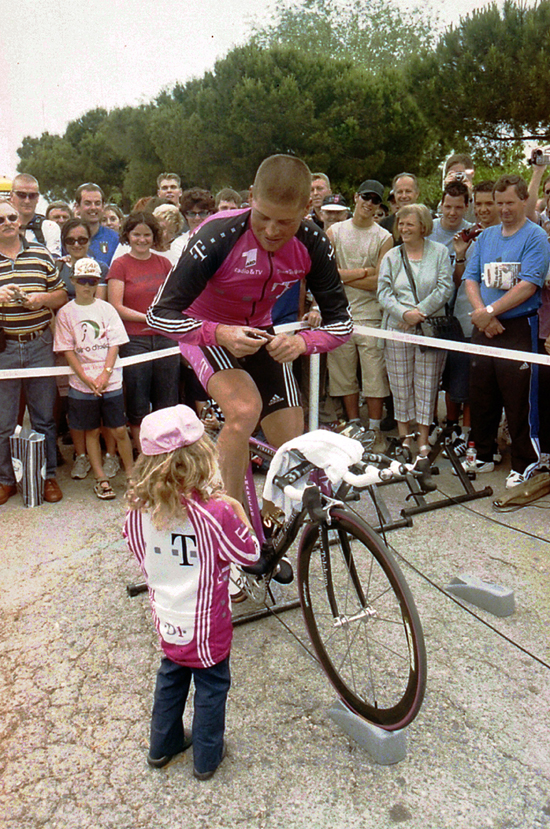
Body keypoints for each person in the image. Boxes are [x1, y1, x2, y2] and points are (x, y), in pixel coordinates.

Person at [147, 154, 352, 501]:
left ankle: (275, 520)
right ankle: (233, 519)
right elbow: (159, 315)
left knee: (291, 438)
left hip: (260, 331)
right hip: (205, 331)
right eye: (263, 217)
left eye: (285, 222)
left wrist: (303, 344)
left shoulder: (313, 242)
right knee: (244, 410)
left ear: (306, 207)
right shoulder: (218, 234)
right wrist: (218, 333)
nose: (272, 231)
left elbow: (343, 323)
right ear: (252, 196)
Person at [123, 404, 260, 779]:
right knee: (212, 684)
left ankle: (162, 745)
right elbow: (249, 552)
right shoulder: (215, 511)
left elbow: (139, 552)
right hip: (207, 620)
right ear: (201, 455)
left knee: (172, 674)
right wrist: (237, 508)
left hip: (167, 614)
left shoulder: (139, 511)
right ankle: (206, 756)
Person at [463, 174, 550, 488]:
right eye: (499, 203)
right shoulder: (486, 237)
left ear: (524, 200)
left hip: (518, 325)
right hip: (485, 325)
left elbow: (529, 284)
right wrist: (482, 314)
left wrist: (490, 312)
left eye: (510, 203)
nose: (504, 209)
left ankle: (526, 461)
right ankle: (484, 454)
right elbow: (471, 278)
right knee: (482, 391)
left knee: (519, 397)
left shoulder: (535, 236)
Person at [0, 198, 67, 505]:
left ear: (20, 220)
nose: (7, 222)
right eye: (0, 219)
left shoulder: (40, 254)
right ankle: (6, 480)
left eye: (11, 216)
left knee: (44, 419)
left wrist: (42, 298)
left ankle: (47, 476)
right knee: (3, 421)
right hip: (5, 347)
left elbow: (62, 294)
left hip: (39, 343)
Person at [53, 258, 133, 499]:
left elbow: (114, 344)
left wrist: (105, 374)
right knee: (91, 431)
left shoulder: (106, 309)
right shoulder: (66, 313)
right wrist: (87, 379)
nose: (87, 286)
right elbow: (68, 350)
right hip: (81, 383)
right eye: (83, 281)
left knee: (119, 429)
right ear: (74, 282)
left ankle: (131, 476)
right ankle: (101, 478)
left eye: (92, 282)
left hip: (111, 381)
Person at [377, 203, 453, 456]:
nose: (404, 228)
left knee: (427, 384)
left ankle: (423, 438)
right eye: (401, 224)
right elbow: (384, 293)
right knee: (400, 385)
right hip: (397, 329)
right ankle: (404, 437)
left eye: (410, 223)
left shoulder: (440, 252)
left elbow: (445, 288)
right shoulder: (391, 256)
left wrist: (417, 314)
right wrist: (403, 314)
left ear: (423, 226)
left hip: (429, 329)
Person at [326, 180, 393, 448]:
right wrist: (363, 272)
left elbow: (380, 282)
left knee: (374, 374)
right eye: (366, 197)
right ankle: (354, 425)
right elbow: (328, 274)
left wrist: (344, 277)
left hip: (371, 315)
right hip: (340, 313)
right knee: (342, 373)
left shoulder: (384, 237)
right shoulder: (334, 231)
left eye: (375, 200)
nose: (369, 203)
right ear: (355, 197)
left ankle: (374, 427)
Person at [107, 212, 179, 451]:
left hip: (165, 339)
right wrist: (148, 319)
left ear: (154, 236)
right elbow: (116, 306)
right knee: (137, 400)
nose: (141, 239)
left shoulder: (164, 263)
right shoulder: (120, 265)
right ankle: (143, 452)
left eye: (147, 234)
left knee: (167, 399)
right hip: (135, 339)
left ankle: (166, 450)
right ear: (128, 235)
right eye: (136, 234)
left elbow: (173, 298)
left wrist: (164, 321)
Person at [10, 174, 62, 257]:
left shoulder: (49, 227)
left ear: (38, 198)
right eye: (21, 195)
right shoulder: (3, 226)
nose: (27, 201)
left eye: (32, 196)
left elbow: (54, 262)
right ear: (11, 196)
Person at [74, 183, 119, 266]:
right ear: (77, 207)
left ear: (103, 206)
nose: (93, 207)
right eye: (88, 203)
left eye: (97, 203)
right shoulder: (68, 239)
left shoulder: (115, 239)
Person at [380, 173, 420, 239]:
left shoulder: (429, 221)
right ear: (394, 194)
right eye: (399, 192)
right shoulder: (384, 225)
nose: (404, 196)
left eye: (408, 191)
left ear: (417, 193)